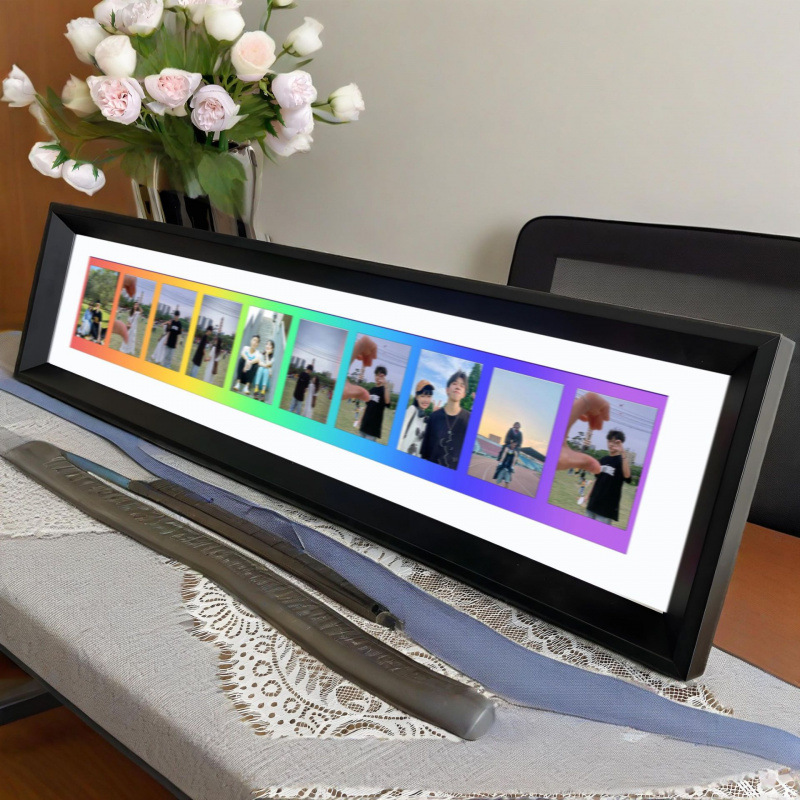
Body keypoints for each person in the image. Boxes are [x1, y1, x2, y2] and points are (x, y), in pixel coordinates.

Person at [420, 370, 471, 470]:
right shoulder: (434, 417)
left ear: (464, 394)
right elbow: (424, 453)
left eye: (462, 385)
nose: (458, 387)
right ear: (447, 390)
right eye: (454, 383)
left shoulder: (469, 421)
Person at [584, 429, 632, 525]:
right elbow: (597, 480)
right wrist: (588, 496)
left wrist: (623, 453)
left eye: (615, 442)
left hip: (606, 509)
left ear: (620, 444)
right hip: (593, 503)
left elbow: (627, 477)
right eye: (609, 441)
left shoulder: (622, 462)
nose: (611, 444)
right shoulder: (603, 460)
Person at [399, 380, 437, 456]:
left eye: (429, 396)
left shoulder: (425, 419)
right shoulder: (412, 410)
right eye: (422, 396)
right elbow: (400, 435)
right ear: (416, 396)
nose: (426, 400)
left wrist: (435, 416)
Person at [359, 365, 391, 442]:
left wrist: (386, 386)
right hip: (364, 425)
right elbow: (367, 406)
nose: (377, 378)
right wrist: (361, 419)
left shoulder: (384, 391)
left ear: (384, 377)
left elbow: (387, 403)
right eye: (376, 375)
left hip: (373, 429)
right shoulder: (372, 390)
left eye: (380, 376)